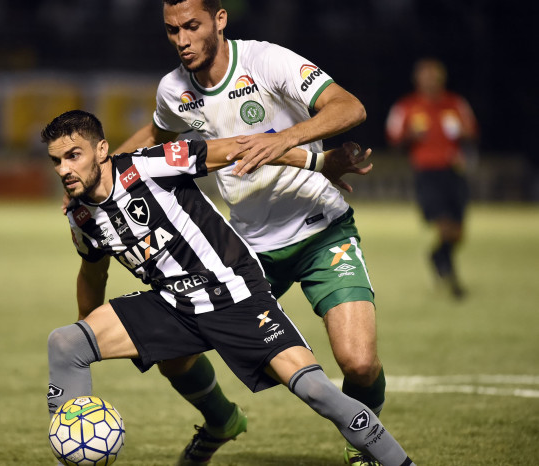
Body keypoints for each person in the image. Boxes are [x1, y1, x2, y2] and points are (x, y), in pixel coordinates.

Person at [42, 109, 415, 466]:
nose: (65, 169)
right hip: (172, 303)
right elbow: (92, 274)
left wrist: (316, 163)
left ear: (102, 149)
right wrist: (85, 328)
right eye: (57, 161)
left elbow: (239, 148)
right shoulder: (81, 216)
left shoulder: (149, 165)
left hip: (232, 292)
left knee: (316, 391)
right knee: (66, 343)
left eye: (73, 155)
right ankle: (70, 458)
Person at [107, 1, 386, 464]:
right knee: (172, 352)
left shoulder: (265, 61)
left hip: (320, 229)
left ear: (219, 20)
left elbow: (349, 106)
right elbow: (155, 137)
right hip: (245, 249)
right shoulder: (172, 90)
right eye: (172, 30)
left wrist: (287, 137)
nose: (181, 40)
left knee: (358, 362)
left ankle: (367, 447)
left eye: (192, 26)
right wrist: (102, 172)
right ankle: (221, 420)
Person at [386, 58, 479, 299]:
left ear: (442, 78)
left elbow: (472, 130)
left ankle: (437, 256)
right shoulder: (407, 106)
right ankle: (454, 282)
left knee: (458, 232)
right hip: (426, 173)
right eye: (425, 76)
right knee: (445, 225)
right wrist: (410, 135)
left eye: (434, 76)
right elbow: (394, 137)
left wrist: (462, 133)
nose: (430, 81)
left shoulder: (455, 103)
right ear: (417, 79)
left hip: (454, 171)